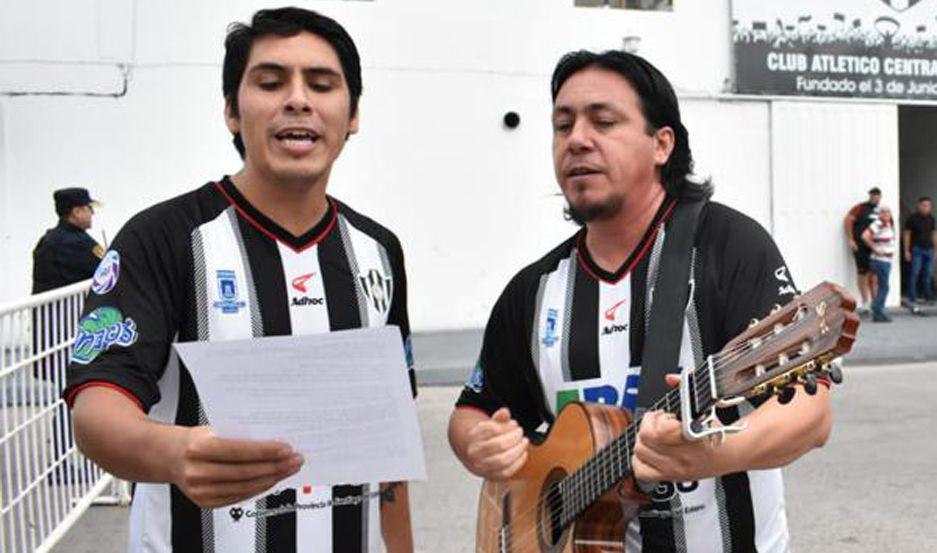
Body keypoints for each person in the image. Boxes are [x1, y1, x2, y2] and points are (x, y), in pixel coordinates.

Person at [448, 50, 831, 552]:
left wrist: (713, 455)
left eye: (603, 121)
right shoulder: (534, 289)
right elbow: (472, 411)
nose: (577, 139)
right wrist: (479, 446)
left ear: (662, 144)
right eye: (563, 125)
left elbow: (811, 413)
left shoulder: (728, 246)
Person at [64, 8, 414, 552]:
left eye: (321, 84)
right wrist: (174, 453)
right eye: (271, 82)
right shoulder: (163, 237)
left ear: (353, 115)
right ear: (231, 110)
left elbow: (389, 445)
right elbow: (96, 407)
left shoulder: (379, 250)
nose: (298, 99)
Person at [32, 187, 104, 294]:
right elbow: (105, 272)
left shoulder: (46, 239)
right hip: (73, 309)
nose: (92, 213)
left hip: (44, 308)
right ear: (77, 212)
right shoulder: (82, 243)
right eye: (89, 208)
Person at [844, 187, 881, 316]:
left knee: (874, 275)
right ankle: (865, 302)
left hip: (875, 247)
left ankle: (875, 302)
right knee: (863, 273)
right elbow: (848, 220)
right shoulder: (860, 208)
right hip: (861, 246)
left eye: (877, 196)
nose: (875, 198)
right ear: (870, 196)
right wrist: (851, 239)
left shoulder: (881, 210)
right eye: (873, 195)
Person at [863, 206, 896, 322]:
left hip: (886, 260)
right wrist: (875, 248)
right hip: (880, 260)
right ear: (880, 214)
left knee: (882, 285)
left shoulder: (887, 224)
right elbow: (865, 236)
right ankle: (877, 310)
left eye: (888, 212)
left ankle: (878, 310)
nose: (887, 214)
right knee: (884, 286)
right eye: (884, 212)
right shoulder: (879, 223)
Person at [903, 196, 936, 308]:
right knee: (915, 273)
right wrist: (906, 250)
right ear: (919, 206)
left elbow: (934, 234)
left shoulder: (931, 218)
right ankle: (912, 296)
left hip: (929, 249)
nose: (926, 208)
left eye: (928, 206)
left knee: (927, 274)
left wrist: (935, 249)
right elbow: (907, 235)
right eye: (924, 205)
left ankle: (928, 296)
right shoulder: (912, 218)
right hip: (917, 249)